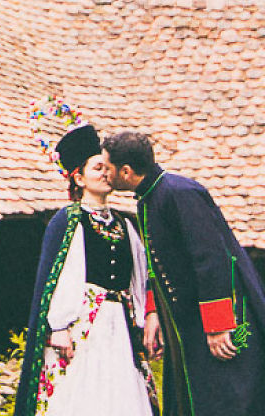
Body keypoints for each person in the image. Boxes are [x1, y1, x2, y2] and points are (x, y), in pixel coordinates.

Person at [103, 130, 265, 416]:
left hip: (222, 319)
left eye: (108, 167)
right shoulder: (147, 200)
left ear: (126, 171)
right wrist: (153, 312)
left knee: (230, 397)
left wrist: (217, 324)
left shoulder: (180, 193)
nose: (105, 173)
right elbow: (157, 263)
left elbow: (211, 258)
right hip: (186, 322)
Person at [14, 122, 158, 416]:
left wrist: (145, 318)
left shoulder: (125, 223)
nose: (106, 174)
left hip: (121, 325)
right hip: (83, 326)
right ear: (78, 178)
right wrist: (58, 328)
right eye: (97, 169)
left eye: (107, 168)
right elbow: (59, 278)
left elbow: (140, 276)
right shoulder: (68, 221)